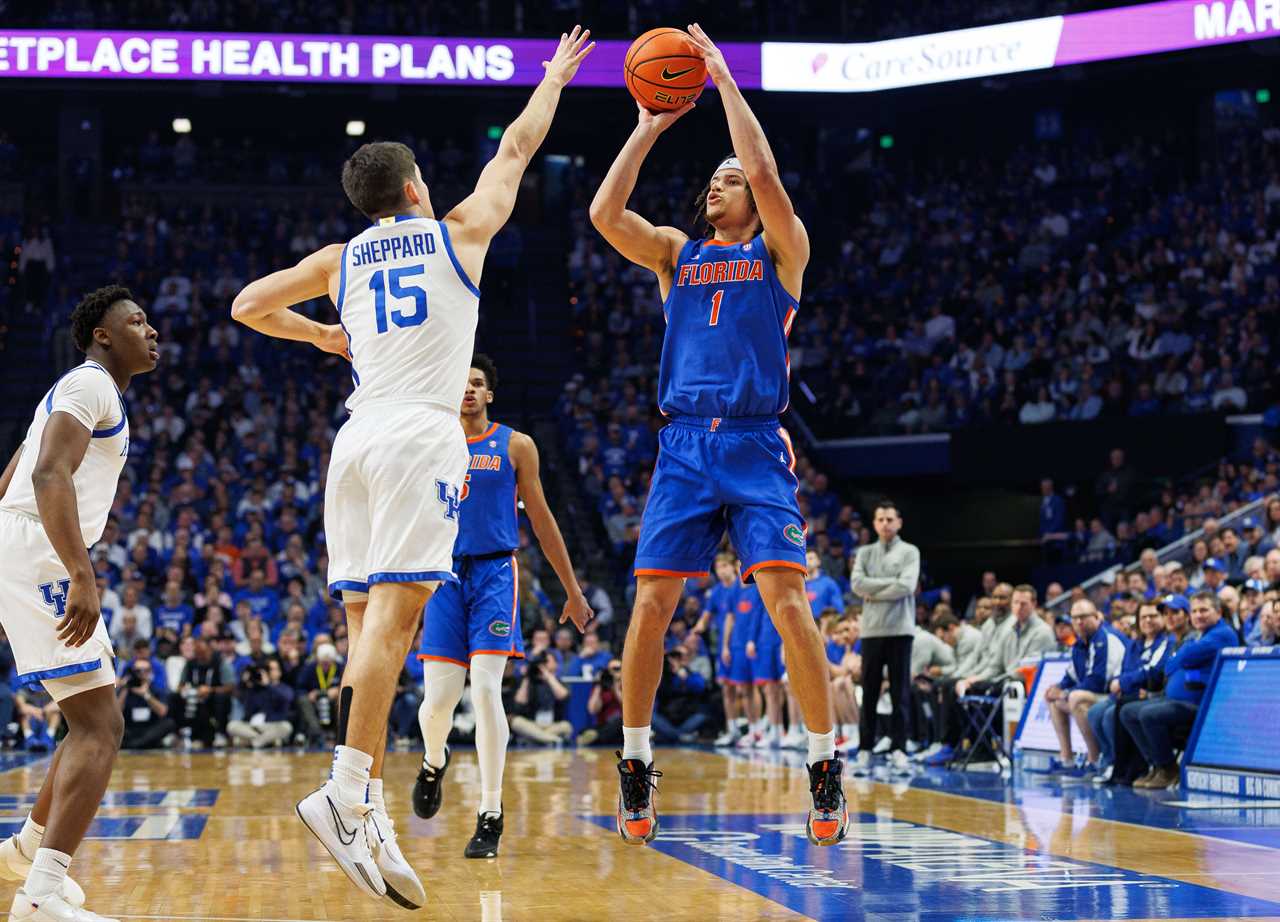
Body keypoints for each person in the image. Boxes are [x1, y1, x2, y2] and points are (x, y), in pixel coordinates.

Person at [230, 27, 595, 907]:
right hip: (421, 438)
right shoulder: (458, 231)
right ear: (417, 187)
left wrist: (322, 332)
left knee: (367, 634)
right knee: (395, 630)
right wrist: (550, 78)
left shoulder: (340, 259)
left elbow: (245, 305)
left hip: (352, 440)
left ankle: (371, 801)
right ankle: (349, 789)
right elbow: (516, 147)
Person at [589, 23, 847, 847]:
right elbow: (604, 213)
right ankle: (635, 760)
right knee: (651, 605)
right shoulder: (675, 253)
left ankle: (821, 759)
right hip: (683, 447)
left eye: (725, 179)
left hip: (753, 439)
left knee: (787, 603)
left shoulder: (782, 250)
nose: (718, 183)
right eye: (711, 178)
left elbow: (765, 169)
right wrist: (649, 122)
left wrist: (726, 83)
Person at [0, 285, 158, 922]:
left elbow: (11, 476)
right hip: (39, 549)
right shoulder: (91, 384)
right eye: (137, 321)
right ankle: (39, 896)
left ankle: (30, 848)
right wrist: (79, 574)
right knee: (102, 725)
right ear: (103, 335)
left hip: (23, 545)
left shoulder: (75, 391)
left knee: (83, 714)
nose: (151, 331)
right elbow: (42, 478)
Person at [412, 355, 591, 859]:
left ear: (490, 394)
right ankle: (432, 761)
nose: (468, 389)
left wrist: (572, 591)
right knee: (437, 706)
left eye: (477, 383)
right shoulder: (431, 441)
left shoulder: (516, 445)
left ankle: (490, 812)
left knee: (487, 690)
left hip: (495, 572)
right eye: (462, 383)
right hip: (444, 574)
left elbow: (541, 517)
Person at [1121, 591, 1237, 789]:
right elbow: (1169, 666)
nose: (1199, 615)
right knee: (1128, 711)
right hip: (1177, 702)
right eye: (1195, 611)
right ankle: (1158, 765)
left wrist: (1183, 653)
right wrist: (1182, 655)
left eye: (1204, 610)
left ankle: (1168, 768)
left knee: (1150, 714)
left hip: (1202, 705)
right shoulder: (1200, 636)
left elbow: (1182, 659)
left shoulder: (1221, 634)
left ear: (1218, 612)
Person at [850, 500, 920, 775]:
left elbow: (907, 586)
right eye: (880, 519)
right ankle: (865, 749)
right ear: (874, 523)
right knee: (868, 692)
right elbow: (856, 584)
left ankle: (899, 749)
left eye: (890, 519)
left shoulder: (910, 551)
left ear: (899, 522)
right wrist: (889, 584)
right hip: (871, 631)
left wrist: (873, 590)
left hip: (901, 630)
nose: (885, 524)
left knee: (900, 691)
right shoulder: (865, 553)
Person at [1087, 602, 1171, 784]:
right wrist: (1120, 685)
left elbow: (1151, 672)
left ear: (1163, 618)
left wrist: (1123, 683)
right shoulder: (1134, 645)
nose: (1148, 620)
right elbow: (1125, 670)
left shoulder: (1166, 642)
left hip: (1143, 694)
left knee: (1110, 715)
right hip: (1125, 693)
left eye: (1153, 616)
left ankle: (1127, 765)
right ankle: (1109, 761)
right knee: (1094, 712)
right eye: (1144, 617)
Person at [1044, 600, 1127, 776]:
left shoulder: (1106, 638)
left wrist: (1066, 692)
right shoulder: (1079, 644)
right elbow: (1071, 675)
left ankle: (1094, 759)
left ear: (1097, 617)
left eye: (1084, 617)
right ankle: (1066, 759)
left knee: (1076, 698)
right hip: (1098, 695)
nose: (1079, 622)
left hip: (1116, 695)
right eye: (1075, 619)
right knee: (1053, 699)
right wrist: (1058, 688)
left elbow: (1099, 681)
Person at [117, 658, 176, 750]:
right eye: (138, 671)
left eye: (146, 670)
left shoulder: (156, 688)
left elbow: (163, 712)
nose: (142, 673)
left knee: (169, 723)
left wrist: (146, 695)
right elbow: (116, 714)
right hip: (130, 728)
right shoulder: (125, 689)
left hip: (149, 728)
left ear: (151, 672)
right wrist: (125, 689)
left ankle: (135, 745)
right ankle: (141, 744)